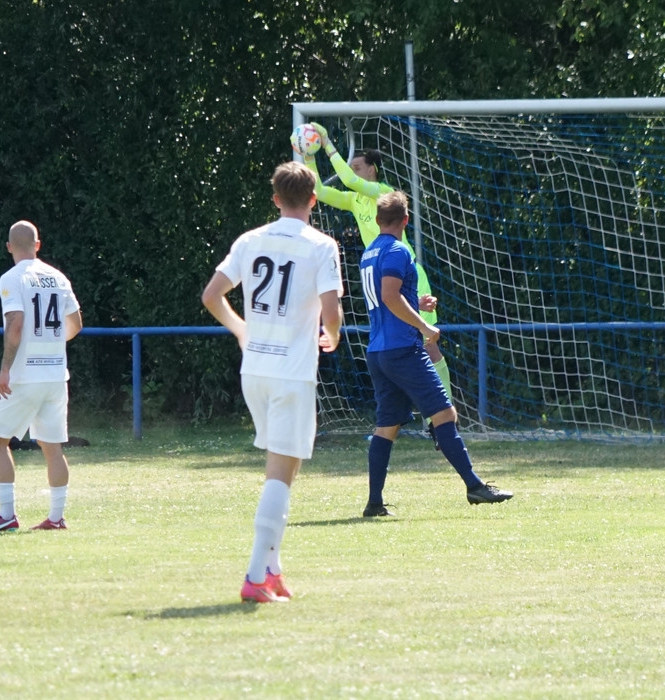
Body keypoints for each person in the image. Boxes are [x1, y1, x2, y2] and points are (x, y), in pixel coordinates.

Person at [202, 161, 343, 603]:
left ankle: (273, 568)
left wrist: (241, 330)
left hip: (255, 371)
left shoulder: (251, 239)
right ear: (314, 200)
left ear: (276, 199)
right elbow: (332, 309)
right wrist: (333, 334)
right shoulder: (321, 245)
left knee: (286, 466)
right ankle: (254, 576)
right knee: (279, 474)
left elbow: (211, 296)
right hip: (290, 372)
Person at [360, 190, 512, 515]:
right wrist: (424, 326)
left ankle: (374, 503)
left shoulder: (369, 252)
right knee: (444, 414)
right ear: (405, 220)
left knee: (387, 426)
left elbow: (388, 298)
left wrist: (416, 304)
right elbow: (389, 297)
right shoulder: (398, 250)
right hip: (403, 349)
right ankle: (475, 487)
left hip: (378, 351)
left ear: (377, 219)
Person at [302, 124, 454, 427]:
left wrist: (327, 143)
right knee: (391, 346)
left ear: (371, 169)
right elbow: (319, 190)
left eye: (357, 166)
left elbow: (348, 180)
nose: (352, 172)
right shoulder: (355, 200)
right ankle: (395, 419)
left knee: (427, 344)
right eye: (352, 167)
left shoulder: (385, 193)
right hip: (382, 278)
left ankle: (442, 418)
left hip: (407, 274)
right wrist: (308, 155)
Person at [0, 221, 83, 533]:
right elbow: (75, 323)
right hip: (56, 374)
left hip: (24, 375)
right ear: (38, 245)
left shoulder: (11, 277)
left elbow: (16, 324)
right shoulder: (58, 277)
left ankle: (7, 515)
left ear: (9, 247)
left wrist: (5, 368)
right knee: (53, 447)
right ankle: (56, 517)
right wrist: (51, 342)